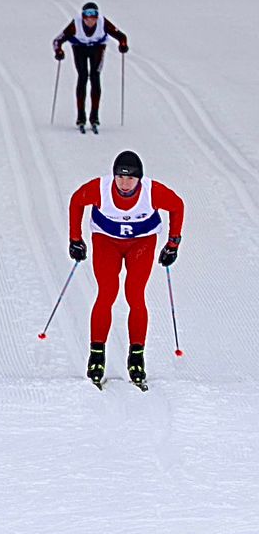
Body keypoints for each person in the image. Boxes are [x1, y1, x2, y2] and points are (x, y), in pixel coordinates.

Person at [67, 151, 184, 389]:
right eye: (120, 176)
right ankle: (97, 355)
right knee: (107, 293)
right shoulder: (100, 188)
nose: (125, 182)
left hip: (141, 244)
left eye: (131, 178)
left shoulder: (153, 191)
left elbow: (177, 206)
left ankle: (136, 356)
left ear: (139, 179)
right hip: (106, 242)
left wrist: (173, 244)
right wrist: (75, 239)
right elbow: (76, 201)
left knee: (135, 294)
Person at [53, 2, 128, 133]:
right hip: (79, 48)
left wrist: (122, 45)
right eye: (88, 15)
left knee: (95, 77)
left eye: (94, 16)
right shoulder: (75, 24)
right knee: (82, 77)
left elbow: (122, 36)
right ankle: (81, 117)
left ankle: (94, 117)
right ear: (83, 17)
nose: (91, 19)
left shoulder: (103, 23)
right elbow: (57, 40)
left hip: (98, 48)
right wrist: (59, 51)